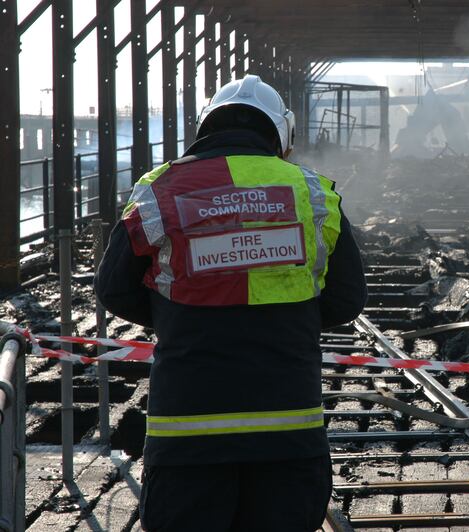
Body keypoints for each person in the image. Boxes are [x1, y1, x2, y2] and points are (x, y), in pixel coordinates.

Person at [95, 74, 367, 531]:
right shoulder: (313, 192)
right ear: (283, 133)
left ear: (204, 126)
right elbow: (346, 299)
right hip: (288, 428)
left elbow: (113, 289)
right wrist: (285, 311)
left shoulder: (159, 189)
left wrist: (176, 311)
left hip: (186, 433)